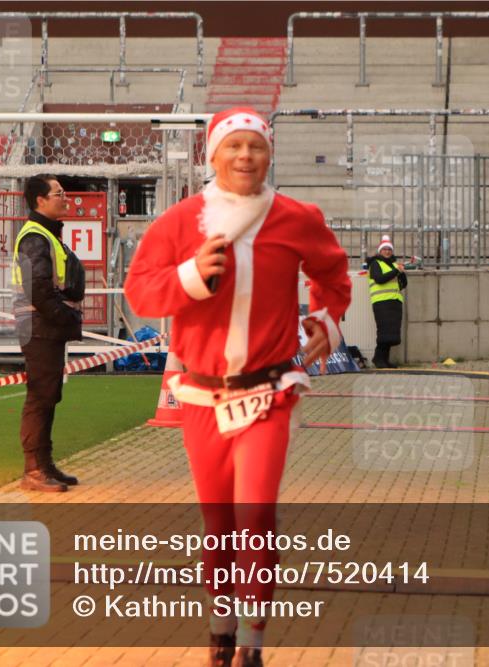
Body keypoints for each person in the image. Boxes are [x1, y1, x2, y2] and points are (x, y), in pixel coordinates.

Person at [123, 107, 351, 667]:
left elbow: (333, 272)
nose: (245, 156)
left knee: (255, 513)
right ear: (213, 155)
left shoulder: (296, 217)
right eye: (233, 146)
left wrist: (326, 319)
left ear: (269, 153)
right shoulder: (181, 221)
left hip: (269, 392)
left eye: (255, 146)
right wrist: (190, 277)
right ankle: (220, 625)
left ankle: (252, 640)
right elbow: (141, 292)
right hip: (202, 394)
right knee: (218, 520)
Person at [12, 174, 85, 492]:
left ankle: (45, 464)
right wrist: (65, 316)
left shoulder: (45, 234)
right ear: (40, 200)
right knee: (40, 397)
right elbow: (39, 290)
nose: (65, 197)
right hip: (39, 327)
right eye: (59, 193)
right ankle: (34, 470)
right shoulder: (34, 237)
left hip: (45, 326)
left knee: (48, 395)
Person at [366, 234, 407, 369]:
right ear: (380, 251)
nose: (387, 251)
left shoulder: (394, 265)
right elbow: (379, 279)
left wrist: (401, 273)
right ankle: (378, 359)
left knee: (392, 333)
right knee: (384, 332)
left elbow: (402, 284)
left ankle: (384, 359)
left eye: (389, 249)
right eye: (385, 249)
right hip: (381, 302)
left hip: (394, 302)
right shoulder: (375, 263)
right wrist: (396, 271)